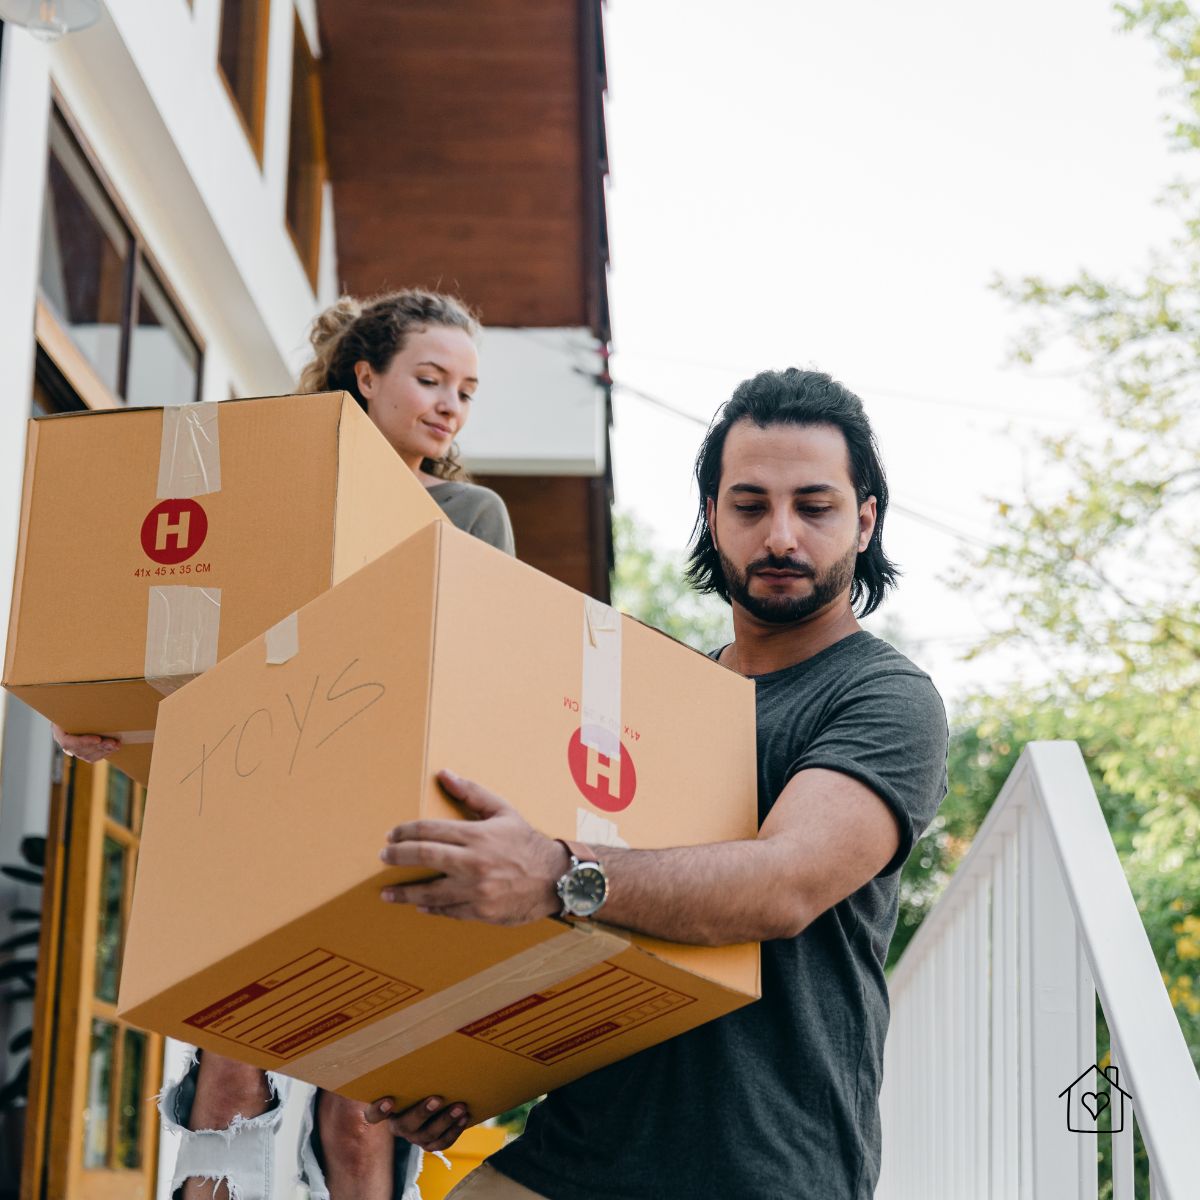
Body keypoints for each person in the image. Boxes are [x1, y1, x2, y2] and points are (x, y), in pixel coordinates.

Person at [366, 368, 950, 1200]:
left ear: (864, 521)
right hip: (576, 1140)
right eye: (748, 506)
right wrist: (462, 1063)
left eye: (813, 507)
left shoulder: (884, 697)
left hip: (759, 1166)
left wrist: (554, 871)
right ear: (712, 519)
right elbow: (547, 903)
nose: (780, 534)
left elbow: (782, 886)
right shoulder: (649, 695)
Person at [53, 287, 513, 1200]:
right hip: (250, 815)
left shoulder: (470, 514)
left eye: (466, 389)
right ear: (365, 374)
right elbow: (213, 661)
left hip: (387, 830)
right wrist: (112, 713)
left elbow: (481, 682)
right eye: (429, 378)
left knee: (356, 1108)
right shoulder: (267, 500)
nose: (450, 403)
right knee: (229, 1078)